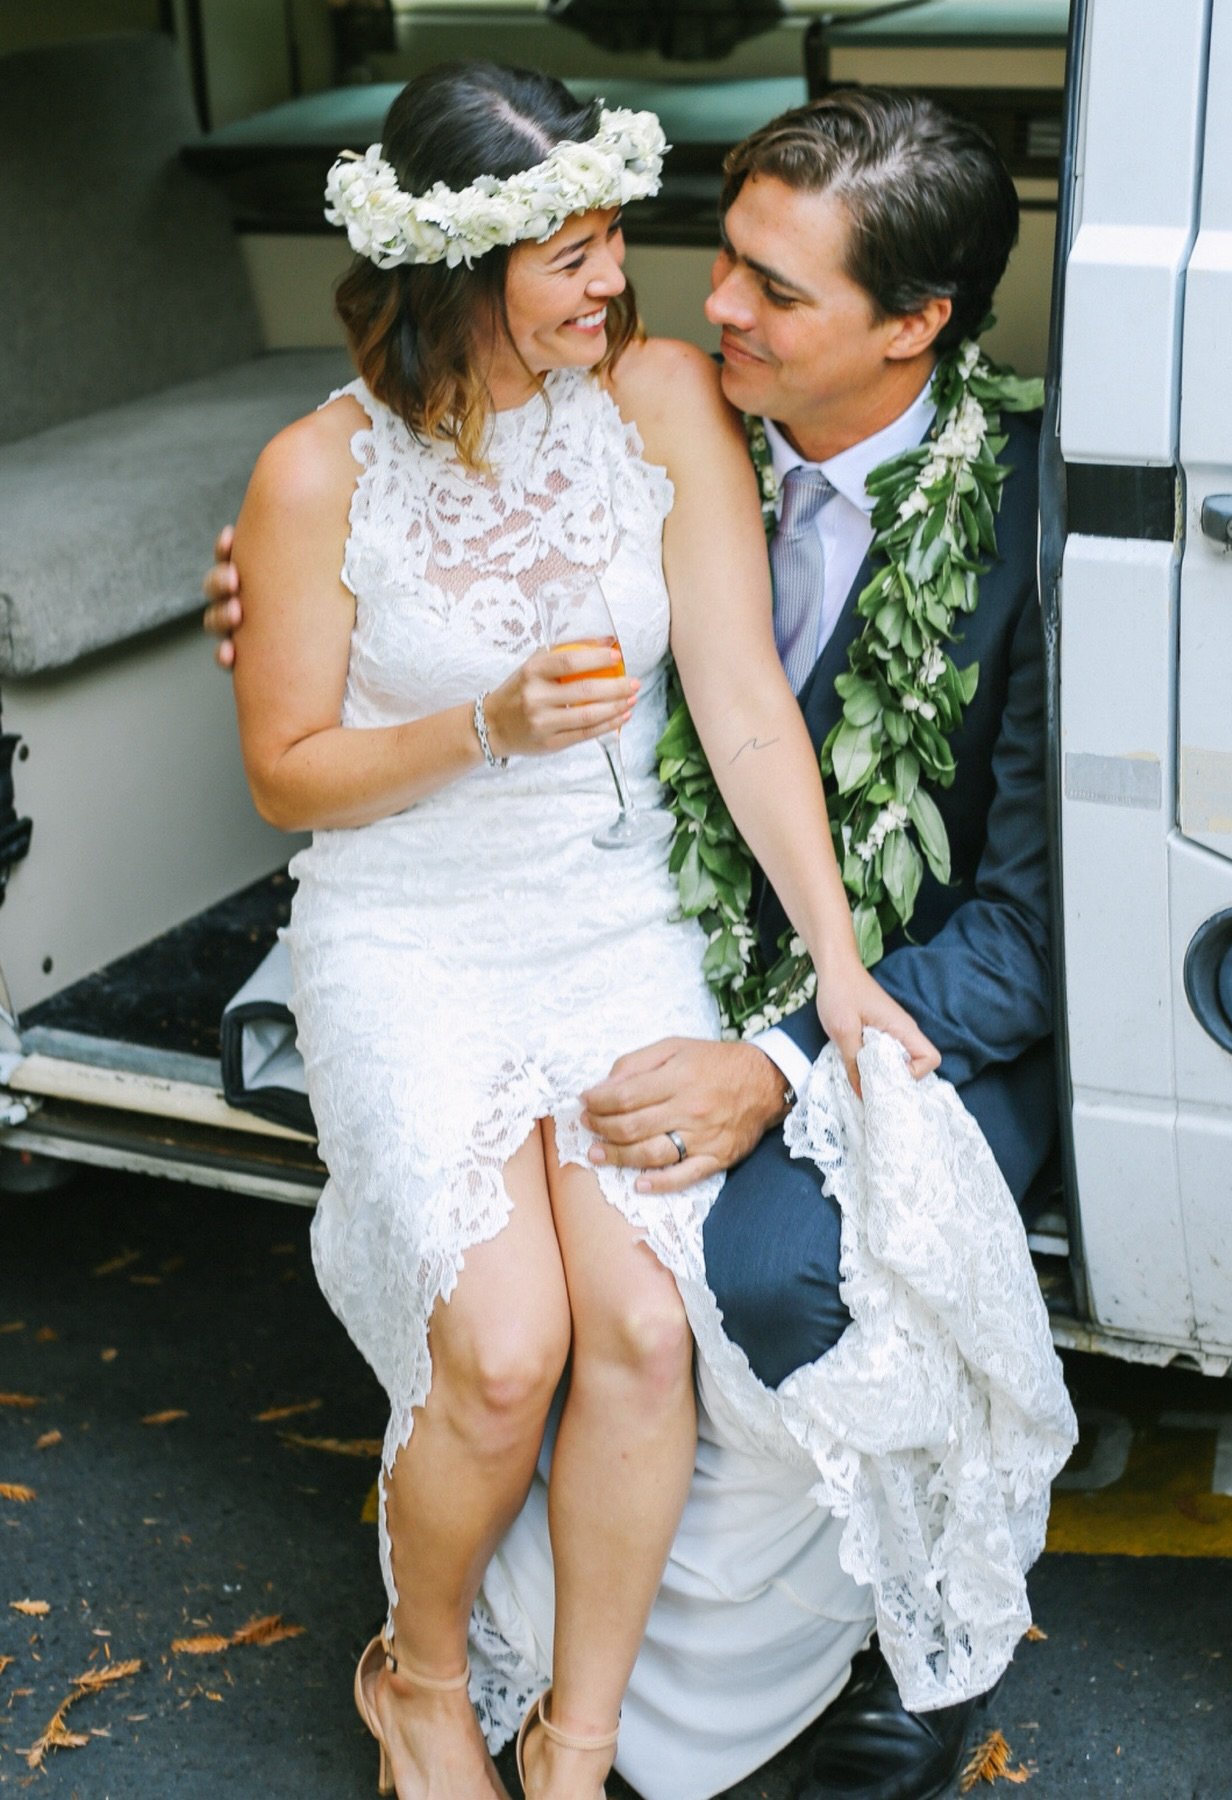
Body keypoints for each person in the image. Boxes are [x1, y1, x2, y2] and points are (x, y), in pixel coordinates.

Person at [207, 84, 1074, 1800]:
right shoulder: (401, 454)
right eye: (608, 256)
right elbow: (299, 748)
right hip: (445, 927)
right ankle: (429, 1677)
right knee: (512, 1342)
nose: (682, 302)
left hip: (704, 952)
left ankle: (646, 1719)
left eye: (765, 287)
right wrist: (341, 629)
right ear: (466, 270)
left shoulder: (1023, 514)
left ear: (913, 328)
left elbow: (765, 713)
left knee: (681, 1316)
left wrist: (819, 1000)